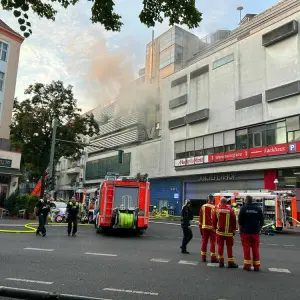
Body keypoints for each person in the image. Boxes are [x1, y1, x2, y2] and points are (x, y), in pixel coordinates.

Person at [239, 195, 264, 272]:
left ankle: (247, 266)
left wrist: (240, 231)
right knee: (255, 249)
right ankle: (256, 266)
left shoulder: (243, 208)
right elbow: (262, 221)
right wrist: (258, 230)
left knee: (246, 249)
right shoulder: (258, 209)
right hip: (255, 233)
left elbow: (240, 222)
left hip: (245, 232)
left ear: (246, 200)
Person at [213, 197, 238, 268]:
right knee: (229, 247)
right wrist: (234, 230)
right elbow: (234, 220)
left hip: (219, 232)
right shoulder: (230, 210)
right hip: (229, 233)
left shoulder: (217, 210)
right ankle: (230, 262)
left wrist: (214, 228)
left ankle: (221, 262)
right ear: (226, 202)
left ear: (220, 202)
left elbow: (214, 220)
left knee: (220, 246)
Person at [199, 194, 217, 263]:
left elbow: (200, 218)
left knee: (204, 242)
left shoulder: (203, 206)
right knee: (212, 242)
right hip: (212, 228)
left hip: (204, 227)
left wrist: (200, 228)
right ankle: (213, 258)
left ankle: (203, 257)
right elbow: (216, 219)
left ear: (208, 199)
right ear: (212, 199)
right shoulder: (214, 207)